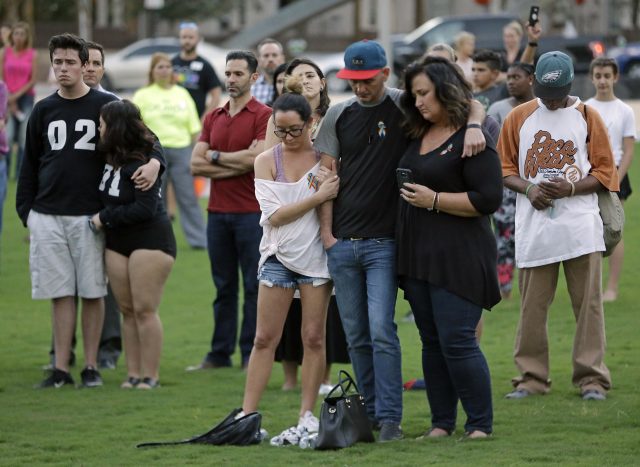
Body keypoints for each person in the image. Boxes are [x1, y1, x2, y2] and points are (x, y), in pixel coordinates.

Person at [314, 39, 487, 442]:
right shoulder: (338, 115)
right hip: (342, 242)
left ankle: (390, 418)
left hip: (385, 242)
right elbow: (326, 176)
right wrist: (327, 236)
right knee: (355, 335)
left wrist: (476, 123)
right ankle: (370, 415)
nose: (360, 87)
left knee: (380, 330)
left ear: (385, 74)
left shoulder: (406, 106)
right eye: (353, 80)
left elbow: (465, 102)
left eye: (367, 80)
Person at [16, 33, 162, 389]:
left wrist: (156, 162)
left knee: (93, 291)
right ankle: (61, 367)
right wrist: (27, 213)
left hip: (91, 215)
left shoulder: (107, 103)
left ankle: (92, 366)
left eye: (70, 62)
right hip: (48, 212)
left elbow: (147, 139)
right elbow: (29, 163)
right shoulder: (43, 109)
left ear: (86, 65)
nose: (63, 68)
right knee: (60, 292)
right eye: (58, 62)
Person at [498, 51, 618, 401]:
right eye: (546, 94)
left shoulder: (586, 116)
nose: (552, 101)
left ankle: (592, 378)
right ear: (534, 82)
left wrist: (570, 188)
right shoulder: (519, 117)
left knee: (588, 306)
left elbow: (604, 171)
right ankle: (532, 378)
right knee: (532, 307)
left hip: (581, 227)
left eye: (558, 94)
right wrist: (530, 188)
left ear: (570, 85)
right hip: (535, 226)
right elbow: (505, 169)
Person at [397, 56, 502, 439]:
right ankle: (441, 423)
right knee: (431, 343)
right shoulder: (414, 130)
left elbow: (489, 198)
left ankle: (479, 424)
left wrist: (435, 200)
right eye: (415, 94)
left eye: (425, 93)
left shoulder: (473, 138)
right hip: (418, 256)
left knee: (458, 341)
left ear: (445, 89)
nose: (420, 101)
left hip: (460, 256)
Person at [236, 92, 339, 446]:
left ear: (311, 122)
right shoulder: (266, 160)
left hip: (315, 260)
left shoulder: (326, 159)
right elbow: (274, 216)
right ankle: (247, 415)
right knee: (264, 338)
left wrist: (318, 201)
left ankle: (306, 415)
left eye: (294, 130)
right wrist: (315, 197)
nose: (288, 138)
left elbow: (322, 205)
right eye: (280, 131)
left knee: (313, 337)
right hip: (278, 257)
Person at [264, 59, 350, 394]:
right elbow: (270, 158)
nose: (305, 81)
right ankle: (289, 377)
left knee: (323, 305)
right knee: (288, 300)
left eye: (310, 75)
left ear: (323, 81)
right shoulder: (281, 120)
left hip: (329, 218)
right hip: (288, 220)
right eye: (298, 76)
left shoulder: (337, 117)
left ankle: (323, 376)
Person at [188, 51, 272, 371]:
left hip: (251, 213)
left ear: (254, 78)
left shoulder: (264, 115)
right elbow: (195, 163)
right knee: (223, 287)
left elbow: (257, 160)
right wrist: (233, 160)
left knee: (252, 286)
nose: (231, 79)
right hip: (217, 213)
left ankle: (249, 352)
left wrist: (214, 157)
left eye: (238, 74)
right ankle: (219, 353)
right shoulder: (213, 116)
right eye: (228, 73)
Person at [44, 41, 123, 371]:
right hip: (59, 208)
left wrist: (155, 164)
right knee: (61, 285)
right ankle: (60, 354)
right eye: (84, 62)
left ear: (102, 68)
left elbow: (142, 146)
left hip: (100, 210)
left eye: (95, 63)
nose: (88, 68)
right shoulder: (51, 107)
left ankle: (107, 348)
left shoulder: (114, 106)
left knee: (101, 285)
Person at [91, 100, 176, 389]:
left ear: (114, 127)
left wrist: (105, 217)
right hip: (117, 241)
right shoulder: (106, 153)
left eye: (102, 124)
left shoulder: (141, 162)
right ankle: (133, 373)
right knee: (127, 309)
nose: (97, 128)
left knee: (144, 309)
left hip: (150, 240)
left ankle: (150, 376)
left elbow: (145, 210)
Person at [133, 52, 207, 250]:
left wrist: (195, 152)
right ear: (153, 71)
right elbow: (135, 127)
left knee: (188, 196)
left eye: (168, 67)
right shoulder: (142, 95)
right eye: (160, 67)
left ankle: (199, 240)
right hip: (153, 153)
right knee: (156, 198)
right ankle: (157, 239)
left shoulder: (182, 94)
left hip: (181, 150)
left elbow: (193, 128)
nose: (165, 70)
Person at [585, 57, 636, 303]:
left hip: (615, 174)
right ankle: (590, 286)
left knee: (614, 230)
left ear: (615, 77)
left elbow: (628, 150)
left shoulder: (624, 110)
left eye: (607, 76)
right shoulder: (584, 108)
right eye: (598, 76)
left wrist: (616, 179)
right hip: (590, 173)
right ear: (592, 78)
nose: (603, 81)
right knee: (589, 231)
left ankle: (612, 288)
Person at [488, 62, 535, 299]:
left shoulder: (542, 107)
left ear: (531, 79)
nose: (511, 81)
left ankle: (532, 283)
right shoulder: (498, 108)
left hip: (535, 181)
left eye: (517, 76)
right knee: (505, 234)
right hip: (506, 183)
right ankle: (504, 287)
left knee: (530, 234)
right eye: (509, 77)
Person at [0, 21, 37, 179]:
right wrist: (9, 97)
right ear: (12, 35)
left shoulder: (32, 54)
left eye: (22, 34)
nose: (19, 37)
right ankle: (6, 173)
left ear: (27, 36)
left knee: (23, 138)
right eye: (16, 33)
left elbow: (33, 80)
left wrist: (16, 96)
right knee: (7, 136)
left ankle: (20, 174)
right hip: (6, 99)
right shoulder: (4, 52)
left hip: (26, 98)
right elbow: (1, 77)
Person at [172, 21, 222, 117]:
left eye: (191, 37)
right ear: (179, 39)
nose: (187, 41)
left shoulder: (205, 65)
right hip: (174, 119)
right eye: (184, 37)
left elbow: (216, 96)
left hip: (197, 120)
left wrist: (204, 119)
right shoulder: (171, 63)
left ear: (198, 39)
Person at [251, 38, 285, 105]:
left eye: (274, 55)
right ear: (259, 60)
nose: (270, 59)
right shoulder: (251, 90)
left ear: (282, 58)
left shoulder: (292, 86)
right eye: (266, 56)